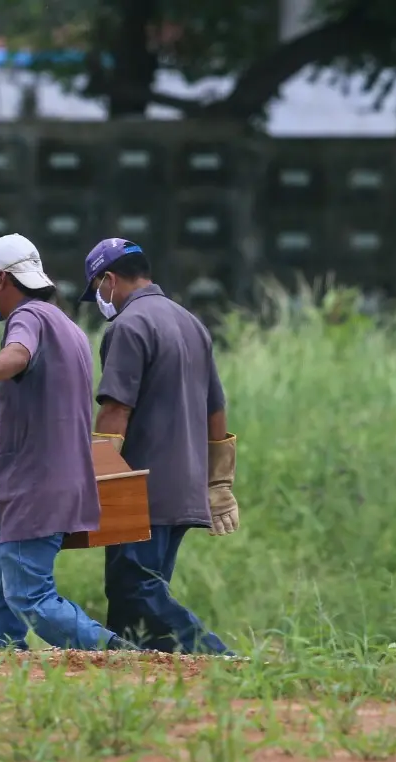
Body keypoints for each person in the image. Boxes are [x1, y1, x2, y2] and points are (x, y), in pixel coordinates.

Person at [0, 234, 131, 652]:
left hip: (34, 485)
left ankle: (116, 654)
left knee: (29, 596)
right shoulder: (67, 325)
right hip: (42, 484)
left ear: (2, 279)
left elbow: (19, 353)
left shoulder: (29, 317)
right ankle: (2, 666)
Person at [81, 237, 237, 655]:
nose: (100, 299)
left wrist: (98, 477)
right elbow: (216, 410)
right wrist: (219, 482)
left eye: (97, 289)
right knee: (134, 601)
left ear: (109, 279)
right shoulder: (191, 324)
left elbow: (116, 409)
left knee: (135, 587)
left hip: (142, 487)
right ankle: (131, 672)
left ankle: (218, 657)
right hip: (185, 485)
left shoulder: (129, 326)